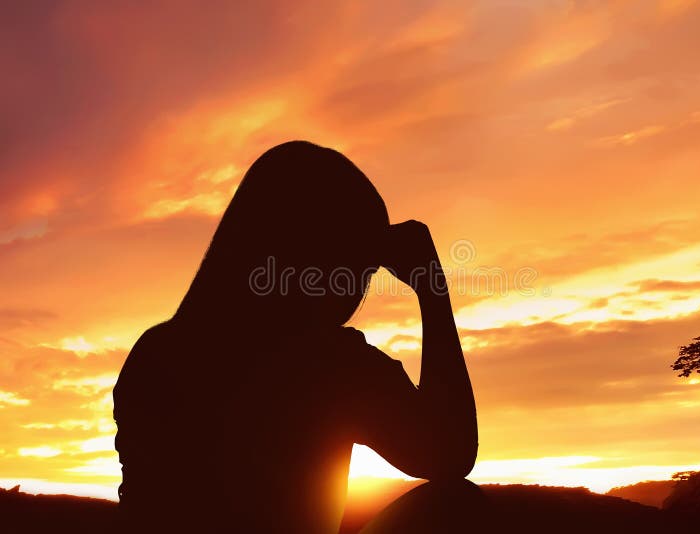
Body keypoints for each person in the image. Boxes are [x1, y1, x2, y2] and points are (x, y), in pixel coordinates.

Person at [113, 140, 478, 533]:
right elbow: (452, 452)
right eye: (362, 267)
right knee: (459, 502)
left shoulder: (156, 353)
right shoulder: (331, 366)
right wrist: (431, 289)